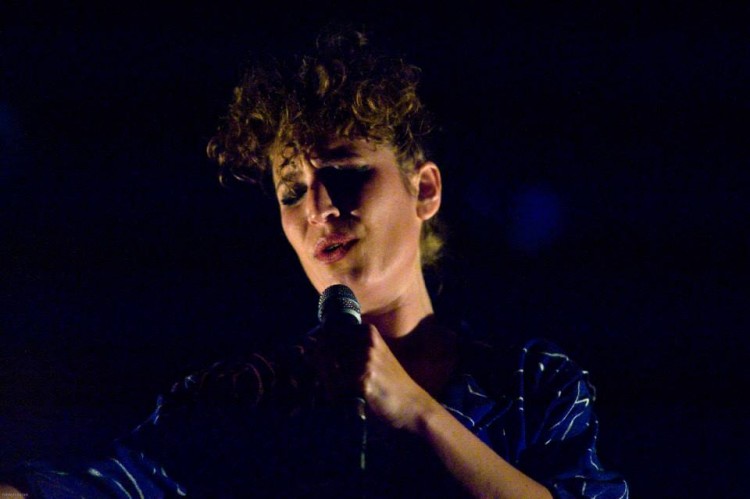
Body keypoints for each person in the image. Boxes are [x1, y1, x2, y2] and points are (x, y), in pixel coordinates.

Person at [1, 29, 628, 498]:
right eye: (292, 191)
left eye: (344, 171)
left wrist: (416, 411)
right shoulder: (240, 399)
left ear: (424, 190)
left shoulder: (532, 386)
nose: (319, 207)